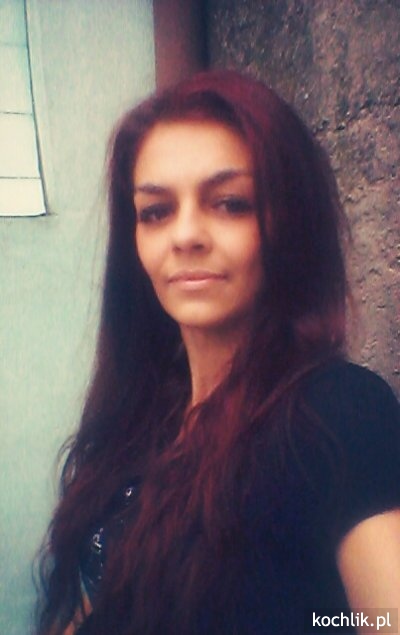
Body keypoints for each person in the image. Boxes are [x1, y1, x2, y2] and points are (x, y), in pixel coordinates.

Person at [36, 70, 400, 635]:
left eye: (230, 203)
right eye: (156, 211)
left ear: (290, 224)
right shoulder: (139, 414)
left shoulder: (337, 414)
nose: (185, 235)